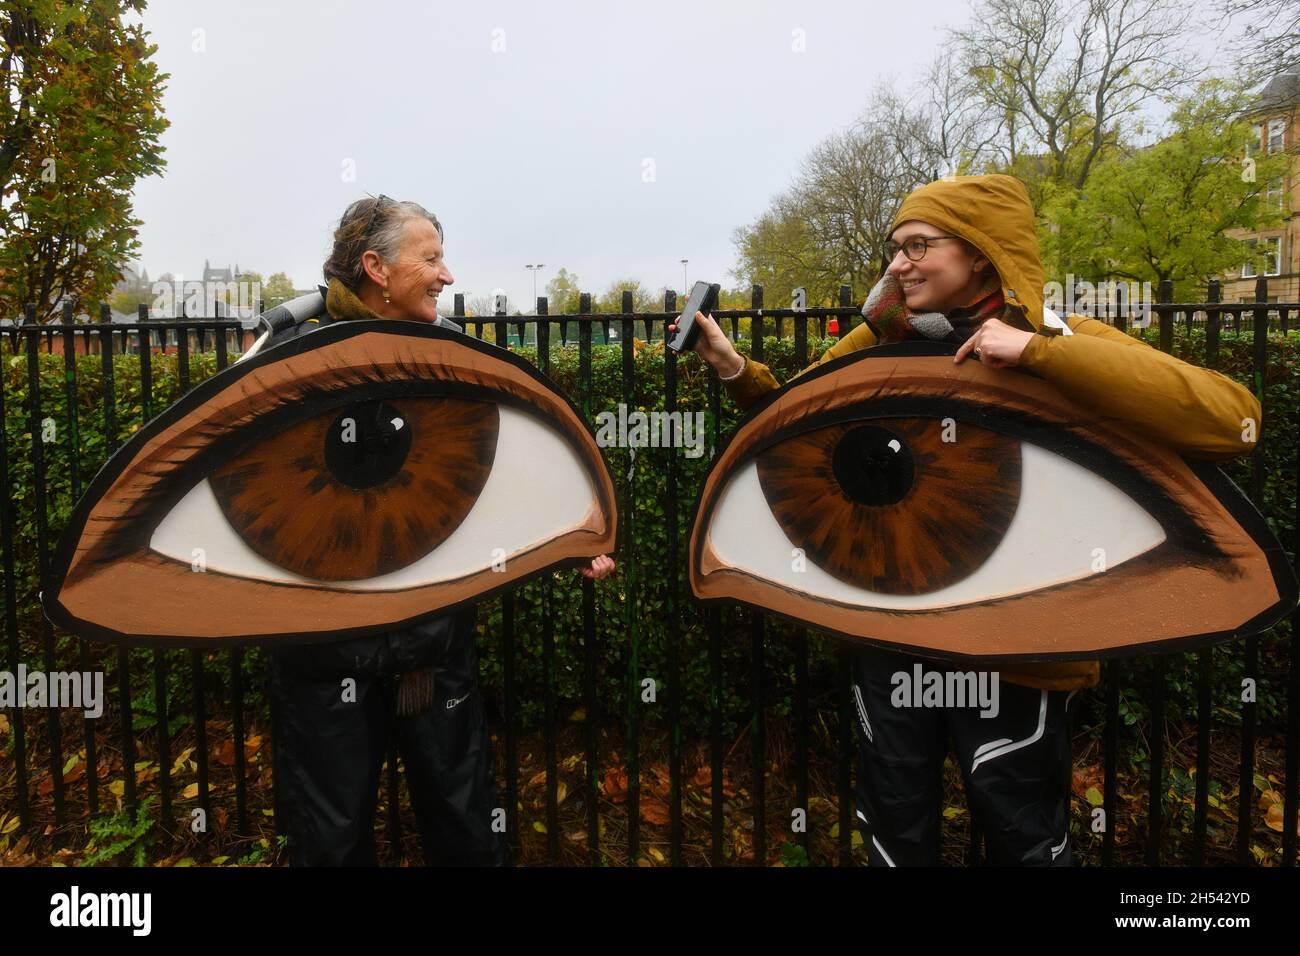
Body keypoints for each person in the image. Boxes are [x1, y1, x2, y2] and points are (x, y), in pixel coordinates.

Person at [671, 173, 1260, 866]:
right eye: (895, 248)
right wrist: (735, 366)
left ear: (980, 253)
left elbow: (1235, 419)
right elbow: (798, 418)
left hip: (1018, 635)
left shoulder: (1060, 336)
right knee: (893, 813)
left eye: (919, 245)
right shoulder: (881, 342)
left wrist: (1038, 354)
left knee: (1020, 823)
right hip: (889, 620)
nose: (898, 264)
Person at [266, 195, 616, 866]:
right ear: (376, 267)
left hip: (432, 651)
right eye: (430, 258)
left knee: (467, 830)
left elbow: (493, 473)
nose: (446, 275)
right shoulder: (286, 362)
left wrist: (570, 537)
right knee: (329, 842)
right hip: (324, 659)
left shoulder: (448, 358)